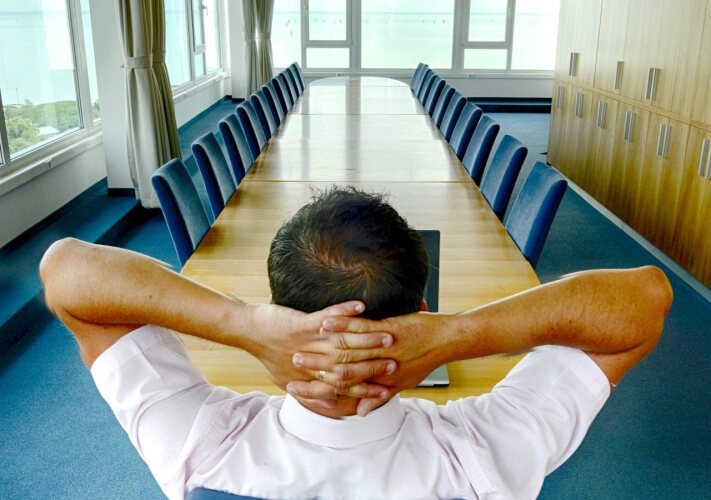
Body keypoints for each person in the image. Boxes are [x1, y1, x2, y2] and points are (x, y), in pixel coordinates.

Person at [40, 187, 672, 500]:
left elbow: (66, 270)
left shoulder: (200, 449)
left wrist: (244, 326)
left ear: (280, 311)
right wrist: (456, 336)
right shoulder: (483, 459)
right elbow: (646, 299)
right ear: (421, 311)